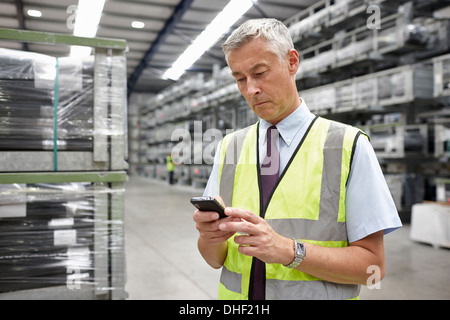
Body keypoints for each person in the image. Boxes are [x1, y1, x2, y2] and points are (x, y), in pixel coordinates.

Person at [193, 18, 402, 300]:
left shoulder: (348, 146)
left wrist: (289, 252)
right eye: (240, 79)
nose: (250, 89)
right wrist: (209, 237)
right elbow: (214, 259)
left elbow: (372, 267)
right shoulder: (230, 147)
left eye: (260, 73)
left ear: (292, 62)